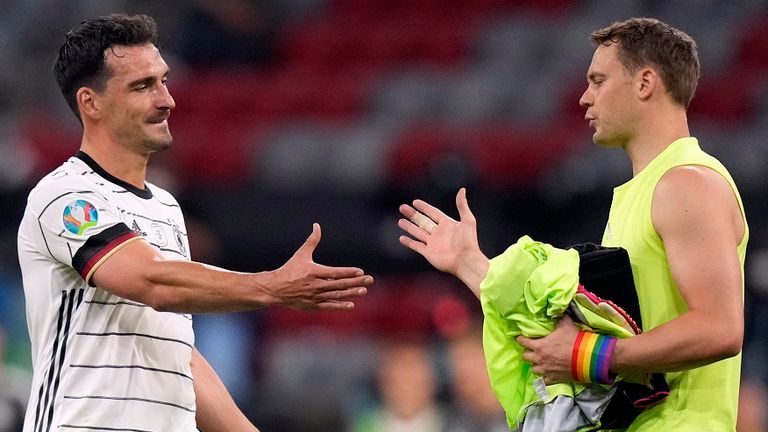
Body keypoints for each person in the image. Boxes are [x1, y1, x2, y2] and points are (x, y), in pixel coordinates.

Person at [17, 13, 373, 432]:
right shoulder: (65, 196)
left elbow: (176, 351)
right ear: (90, 102)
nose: (166, 100)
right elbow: (155, 282)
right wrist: (271, 287)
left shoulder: (166, 207)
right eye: (142, 86)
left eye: (163, 81)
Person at [398, 17, 748, 431]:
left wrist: (587, 355)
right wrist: (471, 264)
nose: (584, 97)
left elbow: (720, 328)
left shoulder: (686, 184)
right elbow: (580, 328)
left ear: (645, 83)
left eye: (598, 81)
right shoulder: (648, 190)